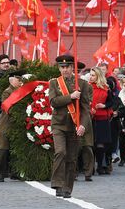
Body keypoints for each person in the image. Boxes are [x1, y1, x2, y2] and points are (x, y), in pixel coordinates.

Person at [49, 55, 90, 198]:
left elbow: (85, 109)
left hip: (74, 125)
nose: (64, 69)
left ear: (72, 68)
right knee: (60, 152)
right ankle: (58, 183)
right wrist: (71, 97)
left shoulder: (83, 84)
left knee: (71, 158)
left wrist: (83, 126)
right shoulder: (54, 83)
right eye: (62, 67)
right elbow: (54, 101)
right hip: (59, 124)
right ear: (59, 68)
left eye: (67, 67)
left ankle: (67, 188)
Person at [0, 70, 24, 182]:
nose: (20, 82)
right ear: (12, 80)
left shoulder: (21, 91)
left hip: (16, 124)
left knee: (16, 149)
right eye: (18, 80)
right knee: (3, 149)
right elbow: (8, 107)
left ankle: (15, 172)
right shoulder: (7, 92)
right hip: (6, 123)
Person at [89, 67, 113, 176]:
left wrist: (104, 105)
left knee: (100, 144)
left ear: (98, 76)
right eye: (90, 74)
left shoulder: (106, 88)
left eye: (93, 75)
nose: (91, 77)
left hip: (102, 118)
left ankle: (100, 165)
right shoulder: (87, 87)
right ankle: (90, 166)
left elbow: (111, 102)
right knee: (91, 144)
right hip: (90, 118)